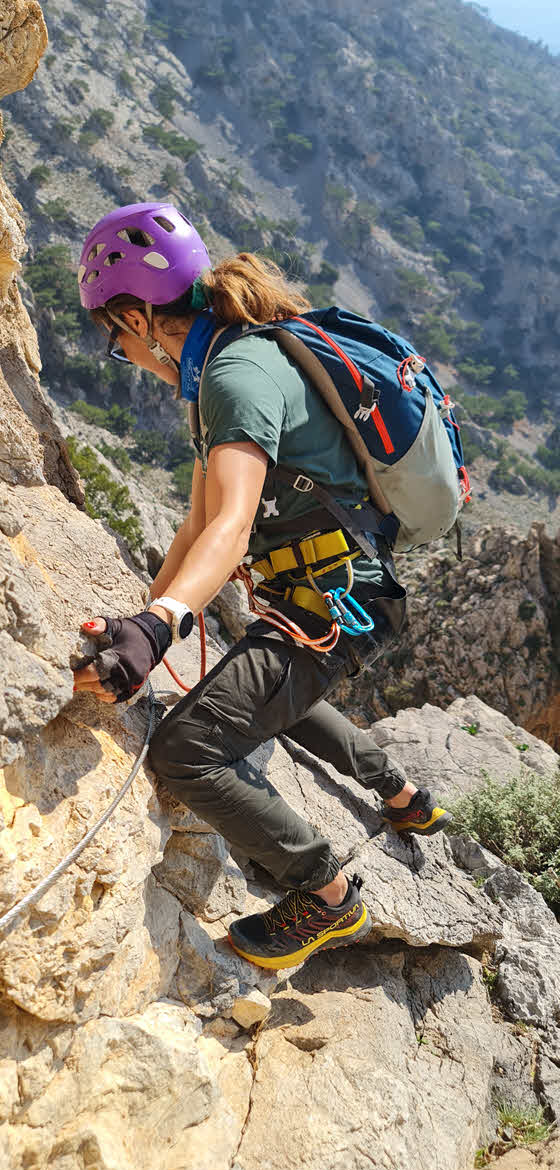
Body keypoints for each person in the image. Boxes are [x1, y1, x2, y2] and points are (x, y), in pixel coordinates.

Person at [73, 202, 452, 971]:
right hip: (331, 595)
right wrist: (143, 626)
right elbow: (194, 527)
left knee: (187, 747)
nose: (125, 355)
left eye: (118, 340)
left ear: (139, 317)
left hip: (335, 605)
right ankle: (402, 794)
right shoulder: (221, 367)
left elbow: (232, 526)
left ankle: (327, 897)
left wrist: (157, 625)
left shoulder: (234, 376)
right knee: (263, 692)